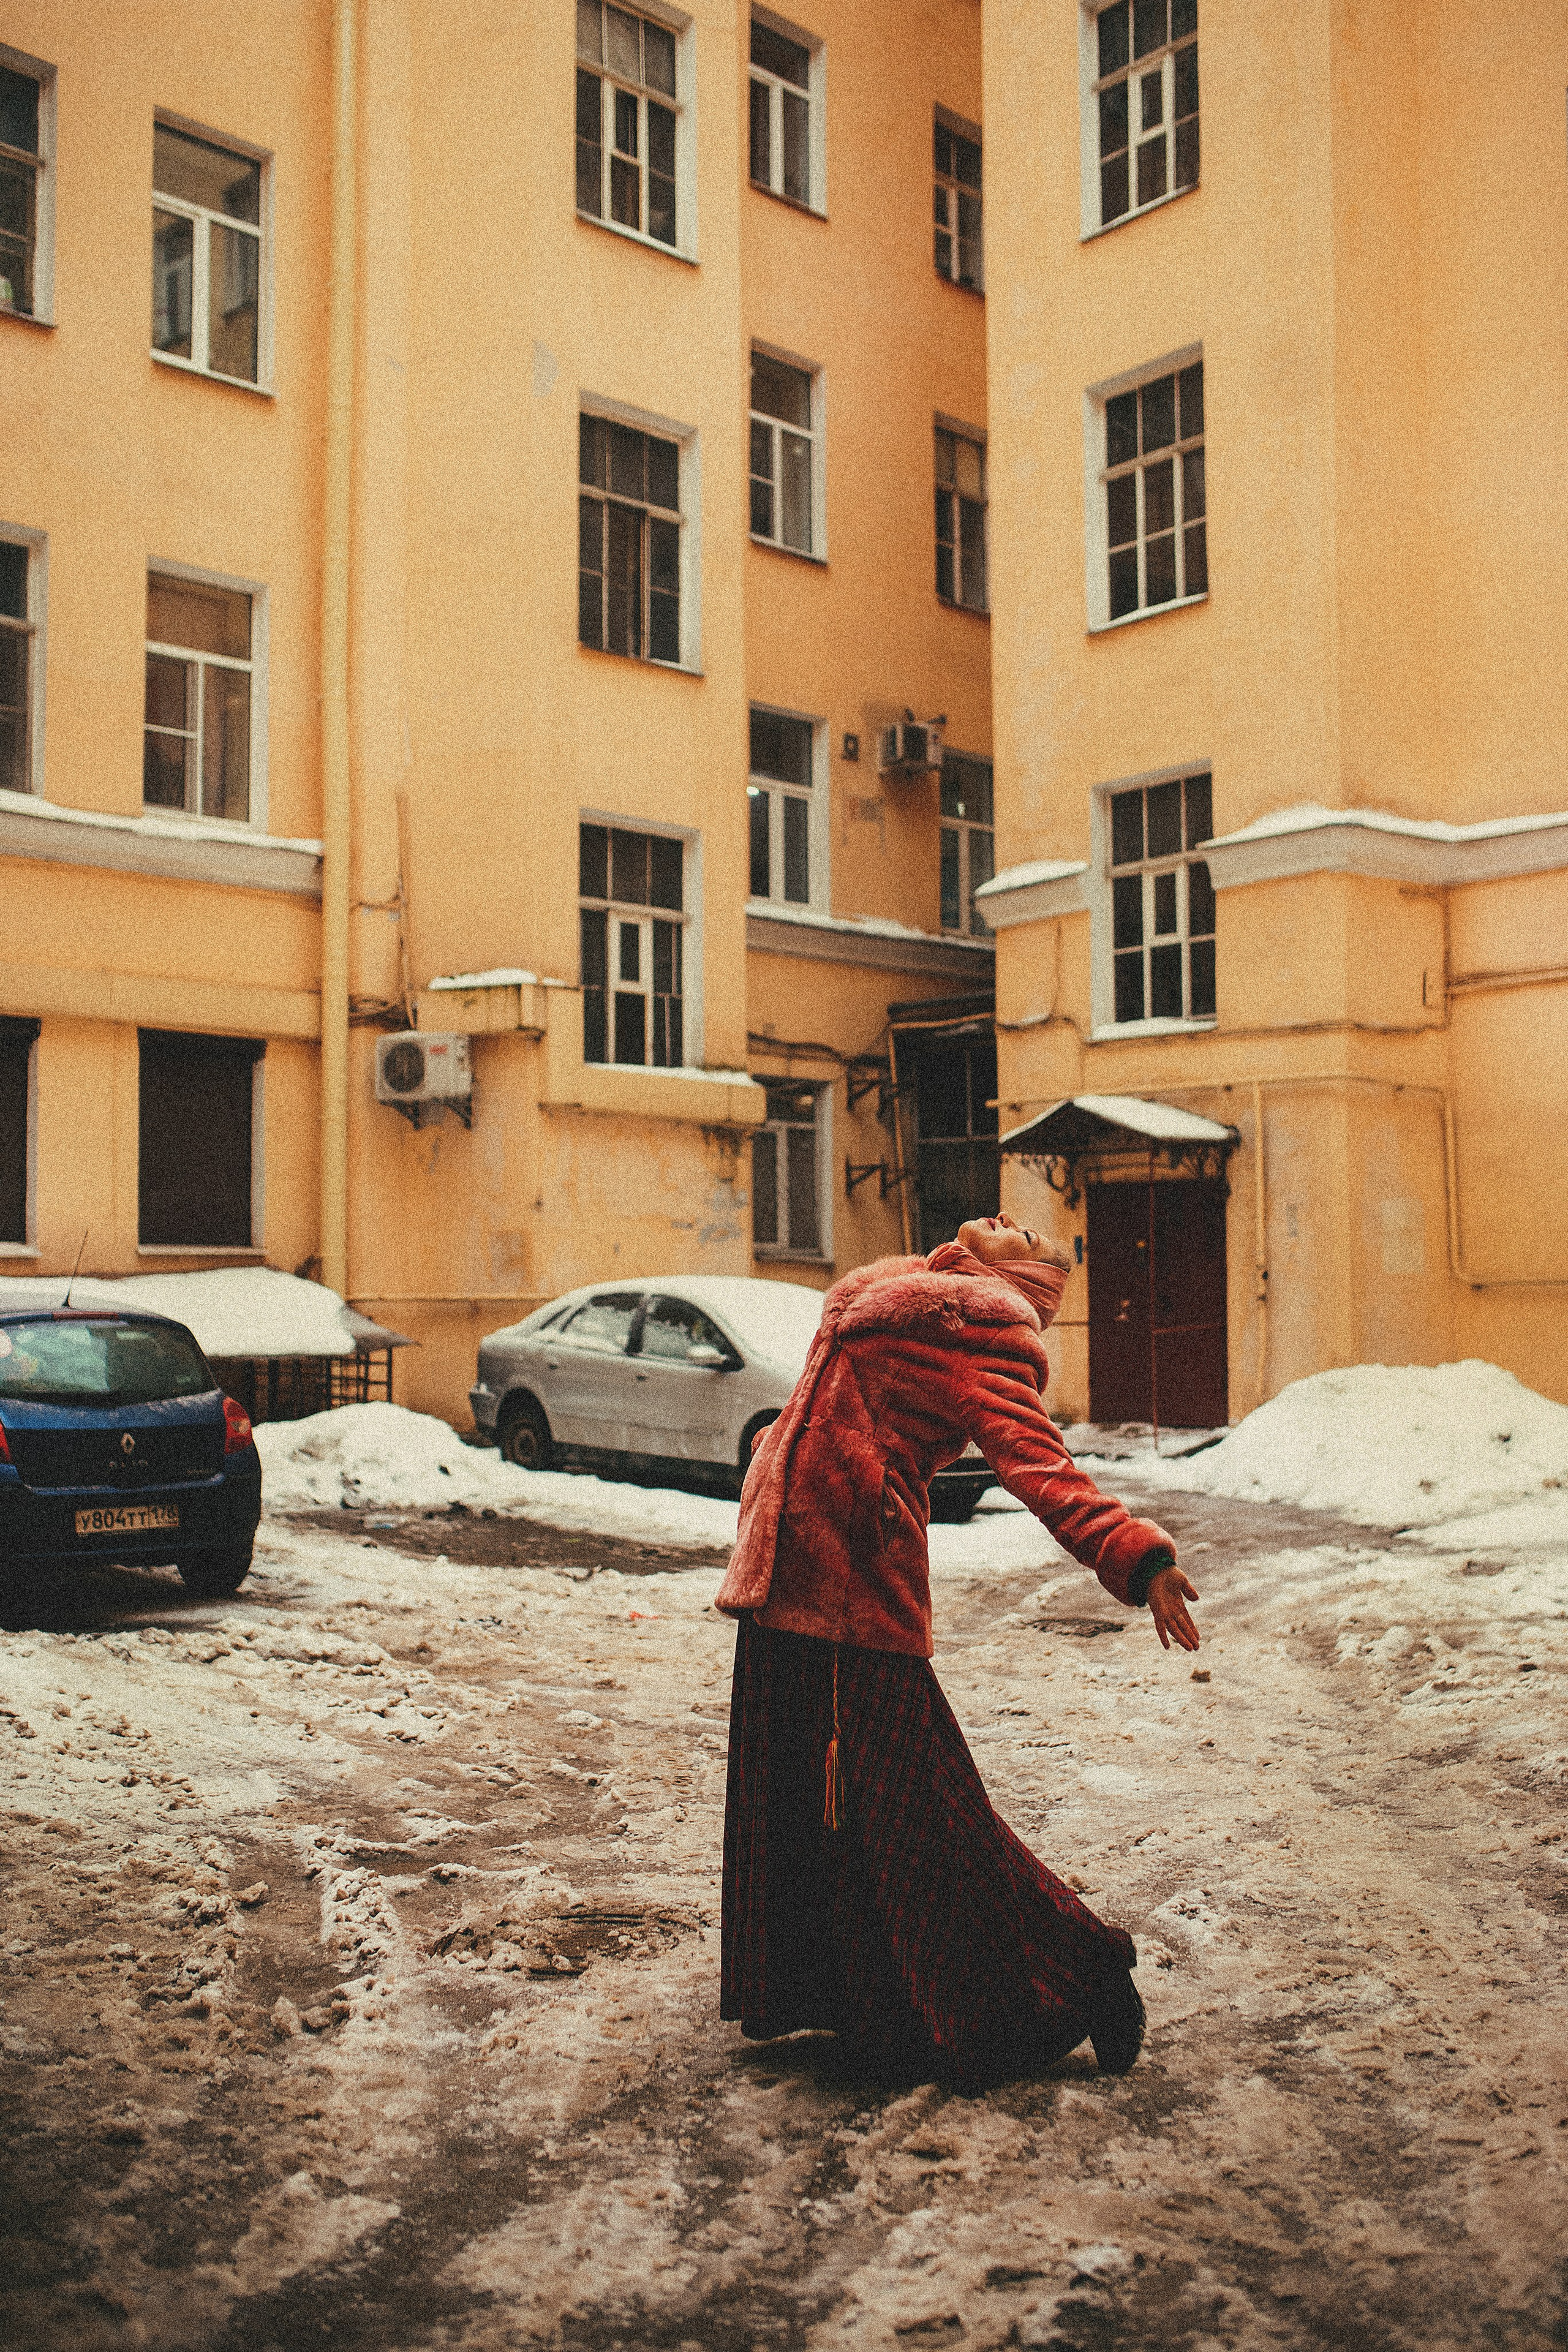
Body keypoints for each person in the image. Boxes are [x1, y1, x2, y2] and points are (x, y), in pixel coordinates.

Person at [715, 1210, 1200, 2082]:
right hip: (783, 1577)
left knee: (924, 1815)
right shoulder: (885, 1296)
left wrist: (1137, 1555)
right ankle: (852, 2005)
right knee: (812, 1808)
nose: (1014, 1219)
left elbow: (1041, 1465)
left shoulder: (985, 1333)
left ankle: (1083, 1971)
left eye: (1030, 1238)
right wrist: (776, 1455)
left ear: (1023, 1287)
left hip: (857, 1589)